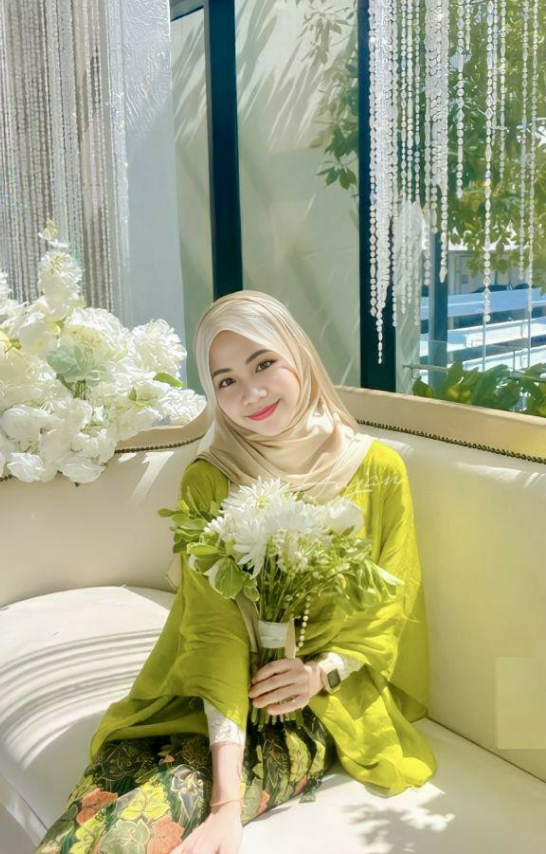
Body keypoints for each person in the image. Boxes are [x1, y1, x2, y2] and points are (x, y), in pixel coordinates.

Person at [33, 291, 437, 854]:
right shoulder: (211, 477)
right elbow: (213, 630)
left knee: (133, 832)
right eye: (225, 381)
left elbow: (389, 605)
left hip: (309, 706)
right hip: (199, 695)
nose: (251, 394)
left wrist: (318, 674)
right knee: (91, 817)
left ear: (298, 354)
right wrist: (226, 803)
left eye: (263, 364)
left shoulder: (378, 470)